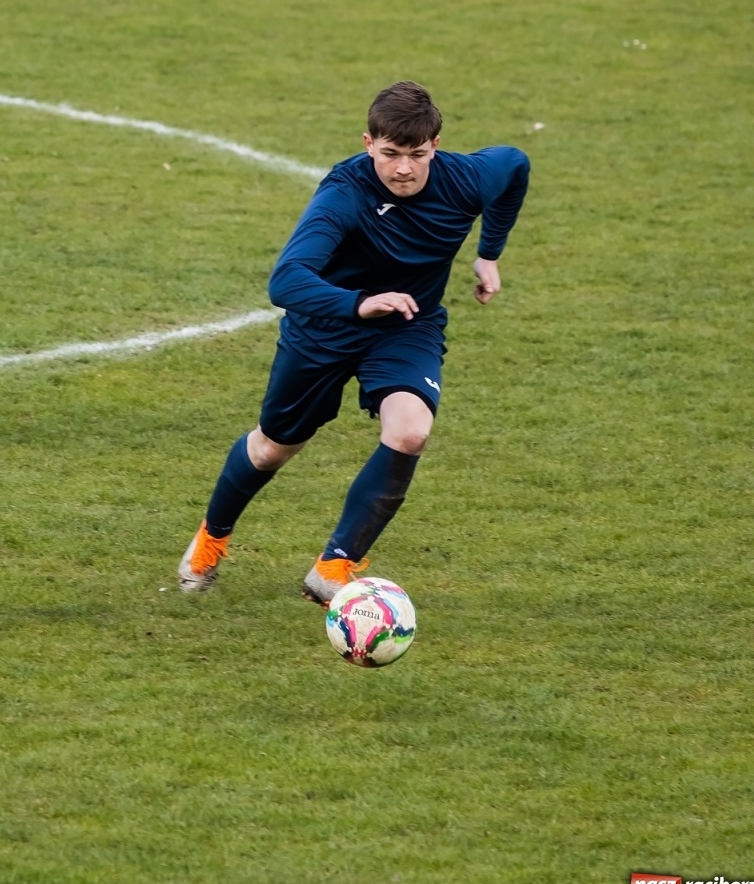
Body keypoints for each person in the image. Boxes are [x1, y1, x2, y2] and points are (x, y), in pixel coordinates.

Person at [177, 81, 530, 603]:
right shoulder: (345, 194)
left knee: (411, 431)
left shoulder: (469, 179)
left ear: (436, 143)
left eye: (417, 155)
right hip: (326, 328)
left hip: (408, 325)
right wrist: (357, 303)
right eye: (390, 155)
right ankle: (211, 538)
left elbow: (516, 166)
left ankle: (335, 566)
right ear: (369, 144)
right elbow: (286, 280)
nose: (403, 169)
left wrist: (489, 252)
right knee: (274, 446)